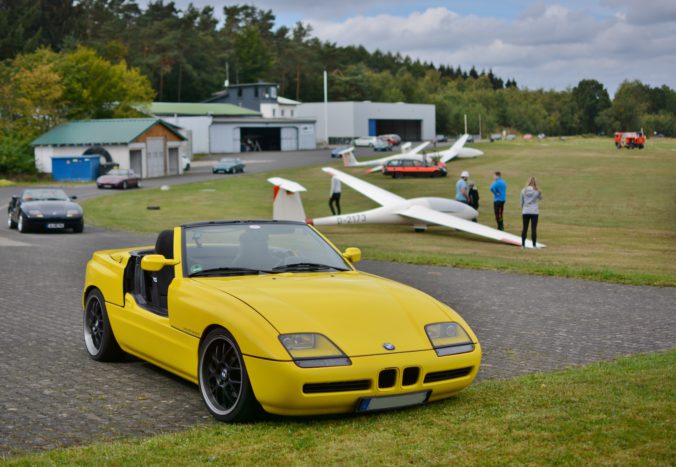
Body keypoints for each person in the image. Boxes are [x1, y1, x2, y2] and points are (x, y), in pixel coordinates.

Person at [520, 176, 542, 248]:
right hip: (534, 211)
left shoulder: (524, 190)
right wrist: (539, 192)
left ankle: (523, 245)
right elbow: (540, 198)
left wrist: (524, 208)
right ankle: (534, 245)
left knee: (525, 228)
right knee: (534, 228)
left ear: (528, 182)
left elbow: (521, 202)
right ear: (535, 183)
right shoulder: (537, 191)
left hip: (525, 211)